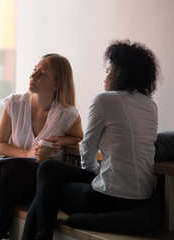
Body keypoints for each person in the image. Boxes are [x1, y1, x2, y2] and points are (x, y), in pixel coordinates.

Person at [22, 39, 160, 240]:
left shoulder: (105, 99)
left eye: (107, 71)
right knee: (49, 172)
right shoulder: (150, 105)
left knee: (47, 179)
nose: (105, 78)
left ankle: (42, 236)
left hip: (109, 198)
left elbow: (87, 148)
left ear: (119, 71)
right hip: (141, 198)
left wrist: (94, 174)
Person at [0, 53, 84, 240]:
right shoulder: (15, 103)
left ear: (56, 84)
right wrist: (27, 153)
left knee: (8, 174)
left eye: (43, 74)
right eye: (35, 71)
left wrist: (62, 140)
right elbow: (0, 145)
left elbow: (78, 136)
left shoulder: (66, 114)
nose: (34, 76)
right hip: (11, 166)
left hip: (38, 178)